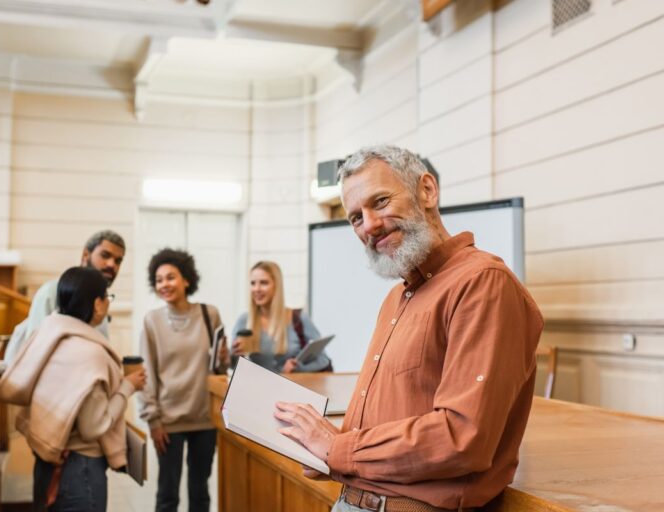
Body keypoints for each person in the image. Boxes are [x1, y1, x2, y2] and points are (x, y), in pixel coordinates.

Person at [275, 145, 544, 511]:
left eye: (380, 201)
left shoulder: (482, 283)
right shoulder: (395, 299)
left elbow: (462, 437)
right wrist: (325, 451)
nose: (368, 225)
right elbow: (382, 429)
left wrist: (338, 449)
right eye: (355, 218)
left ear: (427, 191)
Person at [0, 266, 146, 512]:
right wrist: (127, 388)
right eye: (108, 297)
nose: (108, 303)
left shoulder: (49, 336)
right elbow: (92, 426)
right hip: (80, 469)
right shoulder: (90, 353)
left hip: (47, 461)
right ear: (98, 304)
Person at [137, 248, 228, 512]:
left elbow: (220, 368)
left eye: (170, 277)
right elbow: (147, 373)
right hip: (168, 422)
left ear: (186, 279)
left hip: (205, 418)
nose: (164, 284)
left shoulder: (209, 314)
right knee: (167, 495)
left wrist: (225, 356)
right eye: (159, 280)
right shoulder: (152, 321)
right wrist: (153, 420)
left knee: (200, 493)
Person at [2, 230, 126, 367]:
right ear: (86, 255)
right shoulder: (51, 292)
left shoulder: (102, 301)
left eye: (118, 261)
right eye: (105, 255)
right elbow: (35, 352)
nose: (111, 264)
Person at [232, 260, 331, 374]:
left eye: (264, 283)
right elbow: (232, 365)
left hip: (291, 389)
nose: (257, 289)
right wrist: (230, 357)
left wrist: (298, 368)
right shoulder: (244, 321)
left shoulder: (299, 319)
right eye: (253, 283)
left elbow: (323, 360)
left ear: (276, 285)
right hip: (257, 390)